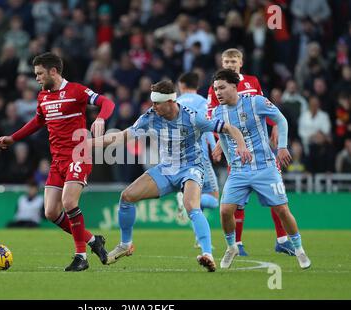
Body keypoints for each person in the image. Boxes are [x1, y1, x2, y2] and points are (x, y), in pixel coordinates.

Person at [90, 79, 251, 272]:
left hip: (191, 168)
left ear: (170, 102)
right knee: (126, 197)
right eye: (153, 102)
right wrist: (91, 143)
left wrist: (241, 145)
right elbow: (123, 136)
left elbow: (228, 128)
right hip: (165, 169)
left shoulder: (193, 117)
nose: (153, 106)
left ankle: (207, 253)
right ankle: (125, 245)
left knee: (191, 205)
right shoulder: (150, 117)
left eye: (157, 102)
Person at [0, 52, 115, 272]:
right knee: (51, 212)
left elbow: (106, 102)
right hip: (57, 159)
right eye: (35, 74)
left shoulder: (76, 91)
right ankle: (93, 241)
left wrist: (100, 118)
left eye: (40, 73)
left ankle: (81, 257)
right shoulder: (43, 96)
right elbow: (37, 122)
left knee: (69, 203)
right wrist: (13, 138)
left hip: (78, 154)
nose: (37, 78)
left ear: (53, 71)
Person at [211, 69, 311, 270]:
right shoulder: (217, 112)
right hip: (239, 171)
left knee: (282, 210)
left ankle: (299, 249)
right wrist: (230, 160)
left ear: (234, 86)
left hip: (265, 167)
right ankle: (231, 247)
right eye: (215, 89)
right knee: (224, 211)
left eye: (221, 88)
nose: (218, 93)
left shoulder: (255, 101)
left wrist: (282, 146)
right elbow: (222, 134)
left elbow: (281, 120)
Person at [208, 48, 294, 256]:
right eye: (226, 61)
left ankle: (282, 239)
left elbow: (266, 107)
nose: (229, 64)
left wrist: (274, 125)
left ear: (241, 62)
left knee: (277, 196)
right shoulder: (216, 88)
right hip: (237, 151)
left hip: (261, 148)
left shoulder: (252, 82)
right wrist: (221, 141)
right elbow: (215, 118)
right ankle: (237, 243)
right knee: (235, 200)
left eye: (232, 61)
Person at [175, 72, 219, 249]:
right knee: (214, 200)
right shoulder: (202, 102)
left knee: (194, 203)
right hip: (199, 156)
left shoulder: (175, 104)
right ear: (196, 85)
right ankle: (184, 199)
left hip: (179, 158)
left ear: (182, 85)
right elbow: (206, 126)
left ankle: (199, 240)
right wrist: (214, 146)